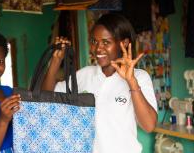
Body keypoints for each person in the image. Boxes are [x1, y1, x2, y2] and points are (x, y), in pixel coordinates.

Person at [42, 13, 158, 153]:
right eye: (94, 41)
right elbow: (46, 98)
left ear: (124, 43)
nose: (98, 48)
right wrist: (56, 61)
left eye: (106, 42)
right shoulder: (85, 75)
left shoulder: (140, 77)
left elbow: (149, 125)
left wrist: (132, 82)